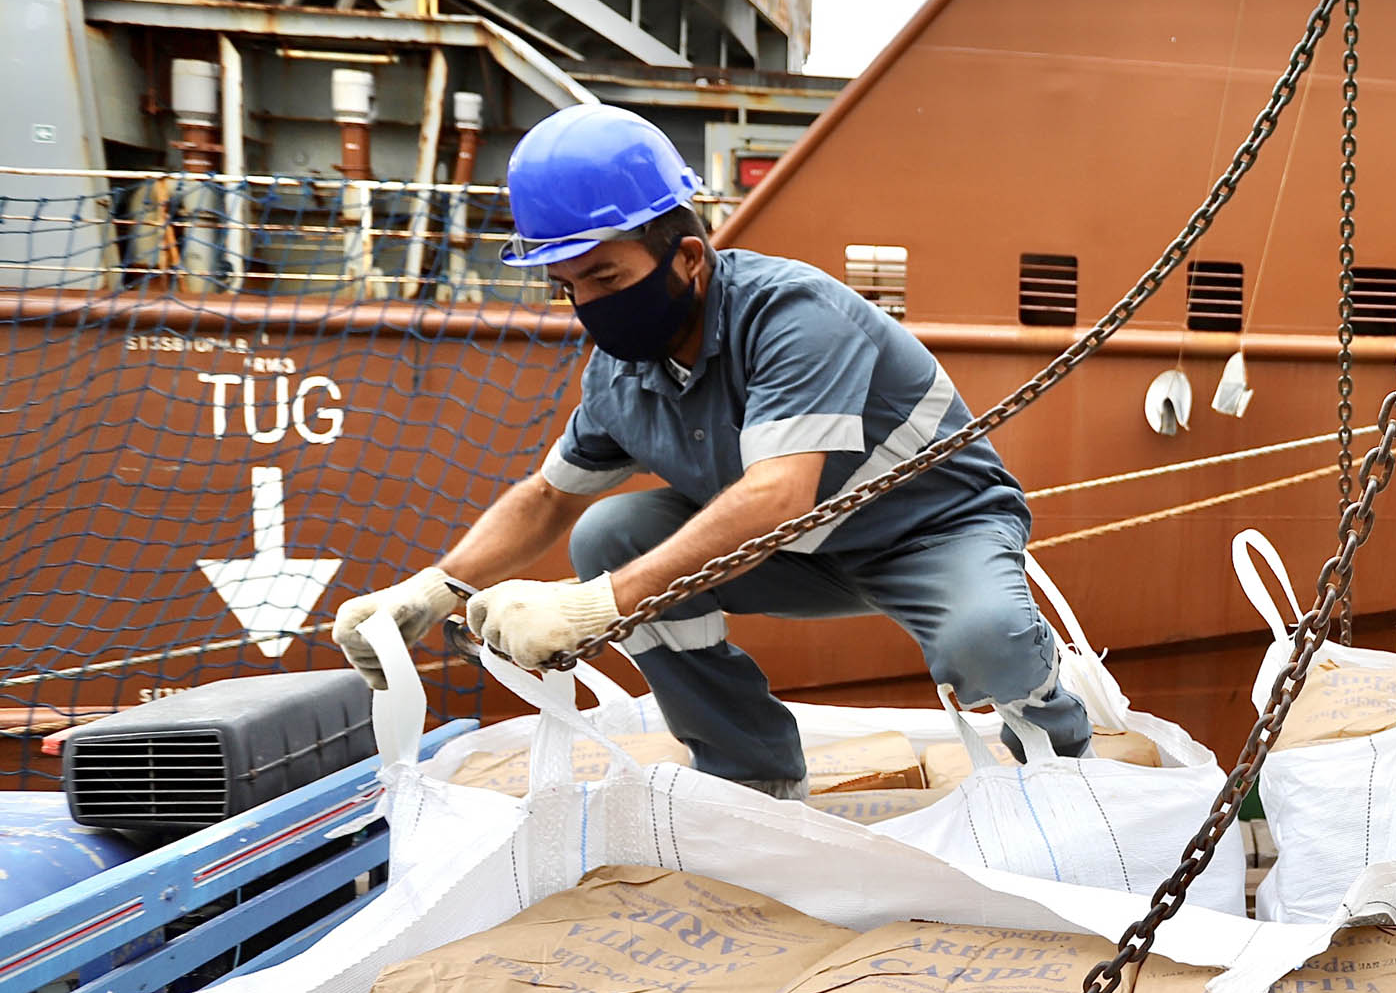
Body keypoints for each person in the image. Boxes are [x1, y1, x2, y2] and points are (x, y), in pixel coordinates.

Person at [329, 102, 1087, 791]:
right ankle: (751, 772)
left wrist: (597, 606)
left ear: (688, 257)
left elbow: (778, 495)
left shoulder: (795, 316)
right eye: (567, 287)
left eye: (604, 275)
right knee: (609, 532)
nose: (591, 306)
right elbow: (549, 497)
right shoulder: (620, 375)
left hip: (931, 533)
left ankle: (1060, 745)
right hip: (799, 554)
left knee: (986, 636)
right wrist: (432, 591)